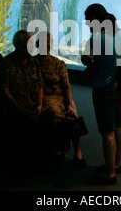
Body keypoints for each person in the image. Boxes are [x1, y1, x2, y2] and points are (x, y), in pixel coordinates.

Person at [81, 3, 121, 185]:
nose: (86, 23)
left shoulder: (96, 39)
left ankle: (109, 174)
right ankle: (117, 164)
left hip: (103, 87)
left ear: (94, 19)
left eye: (87, 19)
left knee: (107, 133)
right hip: (119, 85)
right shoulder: (119, 34)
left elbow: (86, 59)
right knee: (118, 127)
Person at [35, 31, 86, 168]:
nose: (45, 45)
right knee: (55, 115)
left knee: (72, 115)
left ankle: (78, 152)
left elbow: (66, 85)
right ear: (36, 44)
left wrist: (69, 103)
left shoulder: (59, 63)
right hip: (44, 97)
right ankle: (53, 150)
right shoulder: (33, 63)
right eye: (41, 42)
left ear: (51, 44)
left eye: (47, 42)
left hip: (60, 96)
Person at [0, 30, 46, 166]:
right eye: (29, 43)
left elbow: (40, 86)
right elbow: (5, 91)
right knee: (20, 127)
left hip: (32, 106)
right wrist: (21, 110)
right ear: (18, 45)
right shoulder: (7, 62)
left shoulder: (34, 62)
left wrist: (39, 105)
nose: (33, 45)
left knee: (47, 120)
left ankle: (41, 160)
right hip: (14, 108)